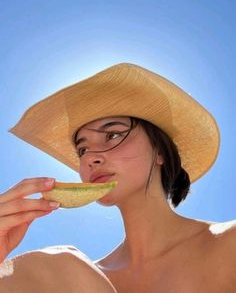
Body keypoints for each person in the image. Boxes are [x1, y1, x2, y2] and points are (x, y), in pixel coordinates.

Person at [0, 63, 235, 292]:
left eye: (112, 135)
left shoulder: (228, 244)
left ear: (160, 151)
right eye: (83, 150)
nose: (91, 157)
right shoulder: (72, 279)